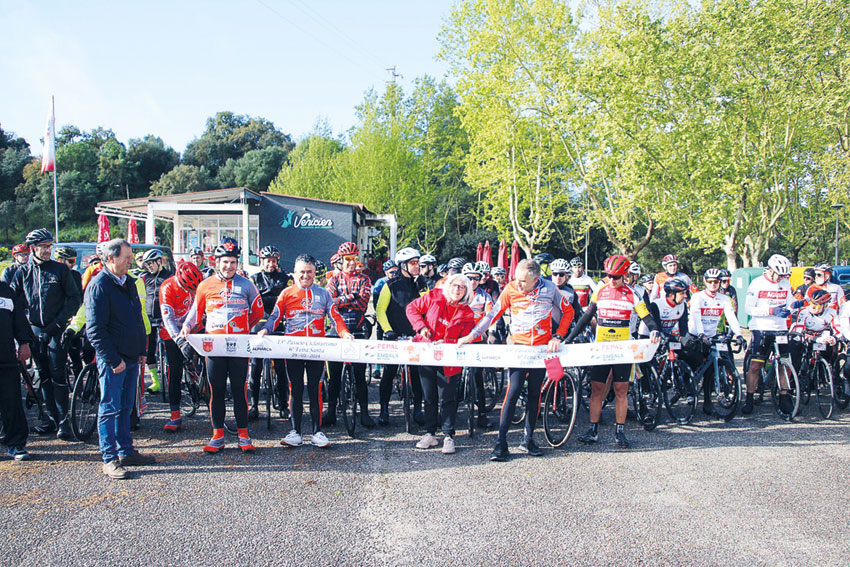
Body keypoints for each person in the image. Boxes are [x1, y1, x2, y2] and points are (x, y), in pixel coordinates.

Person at [459, 259, 574, 462]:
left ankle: (528, 439)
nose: (518, 284)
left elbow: (569, 312)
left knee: (534, 395)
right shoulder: (511, 289)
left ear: (536, 279)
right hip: (519, 349)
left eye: (522, 281)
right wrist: (472, 335)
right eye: (516, 279)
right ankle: (501, 444)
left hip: (541, 351)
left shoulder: (550, 289)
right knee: (512, 394)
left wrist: (558, 335)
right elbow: (493, 314)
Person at [258, 254, 352, 449]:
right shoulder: (286, 293)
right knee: (296, 389)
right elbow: (275, 317)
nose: (305, 276)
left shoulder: (324, 294)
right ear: (294, 273)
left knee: (315, 389)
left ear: (315, 273)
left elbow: (335, 317)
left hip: (317, 349)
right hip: (293, 349)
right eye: (302, 272)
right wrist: (266, 329)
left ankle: (317, 432)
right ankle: (296, 432)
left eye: (309, 272)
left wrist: (344, 333)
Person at [566, 255, 660, 449]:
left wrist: (654, 329)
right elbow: (586, 317)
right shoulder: (600, 290)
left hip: (623, 351)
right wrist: (569, 338)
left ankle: (620, 432)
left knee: (621, 391)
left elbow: (647, 317)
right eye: (608, 275)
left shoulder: (632, 294)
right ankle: (592, 430)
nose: (611, 280)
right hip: (601, 348)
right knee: (597, 390)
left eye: (616, 276)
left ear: (624, 275)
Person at [180, 237, 264, 453]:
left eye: (233, 262)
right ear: (216, 261)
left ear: (238, 263)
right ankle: (217, 436)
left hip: (238, 346)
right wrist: (187, 328)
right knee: (215, 391)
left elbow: (258, 313)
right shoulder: (205, 285)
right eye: (225, 262)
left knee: (239, 390)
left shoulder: (247, 284)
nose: (229, 266)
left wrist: (242, 329)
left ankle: (243, 436)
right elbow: (195, 315)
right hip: (214, 348)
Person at [85, 239, 155, 479]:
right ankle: (109, 458)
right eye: (126, 256)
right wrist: (114, 360)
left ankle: (126, 451)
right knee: (110, 408)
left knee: (126, 408)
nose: (130, 260)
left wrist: (141, 349)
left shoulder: (130, 282)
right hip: (114, 361)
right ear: (110, 258)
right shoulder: (99, 286)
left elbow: (137, 319)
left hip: (132, 357)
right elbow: (95, 330)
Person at [10, 228, 81, 440]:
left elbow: (74, 299)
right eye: (43, 247)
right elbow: (14, 302)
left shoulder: (60, 270)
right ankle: (50, 418)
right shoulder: (23, 272)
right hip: (33, 329)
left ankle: (64, 421)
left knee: (59, 375)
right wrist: (22, 334)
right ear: (32, 249)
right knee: (43, 375)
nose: (47, 250)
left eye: (50, 247)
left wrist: (56, 326)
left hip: (55, 329)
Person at [406, 274, 475, 454]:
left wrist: (449, 343)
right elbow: (411, 308)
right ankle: (430, 434)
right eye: (454, 285)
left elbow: (467, 338)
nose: (457, 289)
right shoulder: (434, 296)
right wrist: (421, 327)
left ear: (466, 291)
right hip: (427, 352)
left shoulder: (467, 312)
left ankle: (448, 436)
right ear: (448, 285)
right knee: (429, 396)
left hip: (450, 358)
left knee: (448, 398)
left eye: (462, 287)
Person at [375, 247, 429, 426]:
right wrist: (388, 330)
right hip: (394, 335)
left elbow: (428, 308)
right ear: (402, 265)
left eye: (418, 264)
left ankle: (418, 409)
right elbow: (380, 310)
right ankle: (384, 409)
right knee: (389, 373)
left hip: (415, 336)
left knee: (417, 373)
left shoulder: (421, 284)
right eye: (413, 263)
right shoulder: (389, 285)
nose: (417, 267)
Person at [325, 242, 376, 428]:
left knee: (360, 375)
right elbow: (330, 304)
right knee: (334, 376)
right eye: (347, 259)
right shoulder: (333, 279)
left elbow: (363, 304)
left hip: (357, 327)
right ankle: (331, 412)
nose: (351, 263)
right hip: (336, 329)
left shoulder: (364, 279)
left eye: (354, 259)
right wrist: (350, 297)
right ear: (341, 260)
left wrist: (343, 301)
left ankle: (364, 413)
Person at [743, 254, 795, 416]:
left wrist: (793, 308)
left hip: (780, 329)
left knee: (784, 364)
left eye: (783, 276)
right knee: (756, 365)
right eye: (779, 275)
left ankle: (784, 397)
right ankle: (749, 398)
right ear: (771, 270)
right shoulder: (757, 283)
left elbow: (790, 303)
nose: (781, 278)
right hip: (761, 328)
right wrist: (771, 310)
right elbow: (748, 309)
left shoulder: (785, 283)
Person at [689, 268, 744, 414]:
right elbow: (696, 316)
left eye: (716, 282)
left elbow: (731, 316)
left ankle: (707, 403)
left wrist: (738, 334)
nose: (713, 284)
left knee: (711, 369)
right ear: (705, 282)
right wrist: (701, 334)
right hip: (696, 334)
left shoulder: (724, 299)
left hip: (712, 336)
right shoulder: (698, 297)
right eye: (710, 281)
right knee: (695, 363)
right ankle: (689, 390)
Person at [158, 262, 204, 432]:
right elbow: (168, 319)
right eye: (189, 289)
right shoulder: (167, 287)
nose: (193, 293)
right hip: (172, 332)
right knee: (175, 371)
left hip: (195, 328)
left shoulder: (201, 282)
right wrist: (179, 340)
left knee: (210, 362)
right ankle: (175, 415)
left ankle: (201, 379)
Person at [248, 245, 291, 421]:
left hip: (279, 322)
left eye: (274, 261)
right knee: (256, 367)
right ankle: (253, 405)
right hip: (259, 321)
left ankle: (283, 406)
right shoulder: (254, 279)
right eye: (267, 261)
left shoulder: (285, 278)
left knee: (281, 367)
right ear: (262, 262)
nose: (271, 264)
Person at [0, 277, 34, 461]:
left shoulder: (5, 290)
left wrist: (24, 343)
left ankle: (16, 443)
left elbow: (19, 320)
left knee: (11, 402)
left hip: (5, 357)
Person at [461, 262, 497, 428]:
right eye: (469, 278)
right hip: (459, 341)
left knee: (477, 379)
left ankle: (482, 414)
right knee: (452, 380)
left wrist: (491, 333)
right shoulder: (457, 293)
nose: (473, 281)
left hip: (477, 340)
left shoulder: (484, 296)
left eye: (476, 278)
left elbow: (491, 316)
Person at [140, 248, 172, 394]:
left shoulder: (169, 276)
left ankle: (173, 377)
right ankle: (155, 382)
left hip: (165, 318)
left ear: (159, 261)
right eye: (146, 264)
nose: (149, 266)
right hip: (148, 318)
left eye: (151, 263)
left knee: (170, 348)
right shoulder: (145, 277)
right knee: (149, 350)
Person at [790, 289, 838, 373]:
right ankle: (793, 381)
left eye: (817, 305)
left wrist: (833, 338)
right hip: (803, 338)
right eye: (811, 303)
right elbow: (799, 333)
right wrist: (815, 339)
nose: (812, 307)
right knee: (795, 360)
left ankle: (825, 376)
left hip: (820, 339)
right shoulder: (804, 312)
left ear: (825, 306)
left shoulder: (832, 313)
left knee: (830, 350)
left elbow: (838, 331)